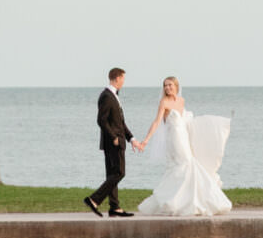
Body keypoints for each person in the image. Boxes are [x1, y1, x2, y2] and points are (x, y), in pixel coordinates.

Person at [134, 76, 232, 218]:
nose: (167, 88)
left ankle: (185, 200)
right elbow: (156, 122)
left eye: (170, 85)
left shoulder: (181, 101)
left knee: (187, 165)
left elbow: (185, 121)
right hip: (173, 139)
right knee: (184, 165)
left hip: (183, 137)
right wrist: (146, 140)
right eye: (165, 86)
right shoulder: (164, 102)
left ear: (176, 86)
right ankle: (179, 201)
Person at [85, 68, 143, 217]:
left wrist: (132, 139)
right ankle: (93, 199)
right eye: (123, 79)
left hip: (117, 141)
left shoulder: (113, 96)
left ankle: (114, 207)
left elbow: (120, 123)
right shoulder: (106, 96)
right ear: (117, 78)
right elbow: (101, 121)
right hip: (113, 142)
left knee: (112, 174)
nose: (124, 82)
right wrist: (114, 137)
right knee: (119, 173)